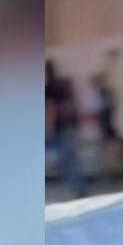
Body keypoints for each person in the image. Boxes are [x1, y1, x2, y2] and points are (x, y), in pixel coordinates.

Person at [45, 60, 85, 197]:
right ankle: (78, 186)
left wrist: (48, 129)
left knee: (66, 159)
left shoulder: (49, 88)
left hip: (58, 127)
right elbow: (72, 105)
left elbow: (51, 109)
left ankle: (78, 186)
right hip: (68, 125)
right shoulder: (63, 86)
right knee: (70, 159)